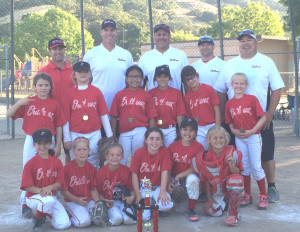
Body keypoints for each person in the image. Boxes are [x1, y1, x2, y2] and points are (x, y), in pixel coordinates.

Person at [214, 29, 285, 203]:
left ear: (255, 42)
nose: (245, 43)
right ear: (239, 43)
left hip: (261, 120)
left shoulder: (266, 62)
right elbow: (220, 91)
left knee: (266, 155)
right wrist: (225, 119)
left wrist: (268, 115)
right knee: (239, 159)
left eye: (249, 40)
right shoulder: (229, 65)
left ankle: (272, 187)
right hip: (236, 122)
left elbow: (277, 89)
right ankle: (241, 191)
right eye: (242, 40)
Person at [6, 73, 66, 218]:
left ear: (50, 86)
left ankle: (49, 201)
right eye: (40, 85)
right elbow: (9, 114)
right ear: (34, 87)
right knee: (29, 170)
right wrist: (20, 102)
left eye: (46, 85)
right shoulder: (28, 101)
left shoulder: (55, 103)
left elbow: (59, 126)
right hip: (32, 140)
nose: (43, 88)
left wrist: (58, 145)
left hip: (49, 140)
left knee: (49, 170)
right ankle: (25, 204)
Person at [225, 73, 268, 209]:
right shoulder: (229, 103)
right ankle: (247, 194)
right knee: (245, 167)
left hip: (253, 136)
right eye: (236, 83)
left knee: (256, 166)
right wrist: (232, 130)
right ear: (232, 85)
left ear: (246, 85)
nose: (238, 86)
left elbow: (263, 118)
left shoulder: (251, 99)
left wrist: (253, 130)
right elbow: (229, 122)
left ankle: (263, 196)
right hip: (240, 138)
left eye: (241, 83)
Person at [62, 61, 113, 170]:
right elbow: (65, 119)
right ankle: (77, 184)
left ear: (90, 73)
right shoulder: (69, 93)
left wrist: (109, 136)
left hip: (94, 133)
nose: (82, 74)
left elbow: (103, 115)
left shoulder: (96, 91)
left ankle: (93, 185)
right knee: (76, 160)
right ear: (74, 75)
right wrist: (66, 138)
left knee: (94, 159)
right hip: (75, 132)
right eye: (79, 72)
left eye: (85, 71)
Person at [191, 126, 244, 226]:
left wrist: (232, 164)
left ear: (225, 139)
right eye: (215, 138)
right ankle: (226, 205)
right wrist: (210, 198)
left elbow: (238, 174)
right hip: (216, 192)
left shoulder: (232, 153)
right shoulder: (205, 157)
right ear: (209, 140)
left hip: (230, 190)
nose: (218, 140)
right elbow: (206, 180)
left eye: (221, 137)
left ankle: (233, 214)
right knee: (209, 211)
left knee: (235, 180)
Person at [20, 129, 71, 232]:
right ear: (34, 144)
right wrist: (43, 191)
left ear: (51, 143)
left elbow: (60, 182)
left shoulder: (57, 162)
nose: (42, 146)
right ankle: (37, 219)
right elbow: (26, 186)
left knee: (64, 224)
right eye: (39, 143)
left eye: (45, 143)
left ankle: (46, 213)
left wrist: (50, 188)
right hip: (33, 197)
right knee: (49, 200)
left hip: (49, 196)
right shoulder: (30, 163)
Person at [110, 65, 157, 165]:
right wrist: (113, 134)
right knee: (121, 159)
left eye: (137, 76)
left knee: (138, 158)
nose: (134, 79)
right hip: (124, 131)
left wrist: (150, 135)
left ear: (141, 79)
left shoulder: (146, 95)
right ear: (126, 79)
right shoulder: (120, 94)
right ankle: (122, 179)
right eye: (131, 76)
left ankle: (137, 179)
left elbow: (151, 117)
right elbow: (113, 116)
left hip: (140, 130)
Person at [83, 19, 134, 111]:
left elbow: (131, 80)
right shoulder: (90, 54)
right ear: (101, 32)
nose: (109, 33)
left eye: (112, 30)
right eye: (106, 30)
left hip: (121, 108)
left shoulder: (126, 54)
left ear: (116, 32)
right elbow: (84, 80)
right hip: (96, 107)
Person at [38, 38, 74, 164]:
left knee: (70, 151)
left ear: (64, 50)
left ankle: (70, 179)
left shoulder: (72, 71)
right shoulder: (43, 72)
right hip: (50, 118)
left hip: (69, 118)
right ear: (49, 52)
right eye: (54, 49)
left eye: (60, 48)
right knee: (50, 152)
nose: (58, 51)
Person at [130, 127, 174, 221]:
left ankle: (153, 202)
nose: (155, 141)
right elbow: (134, 174)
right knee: (144, 217)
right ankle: (149, 204)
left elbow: (164, 172)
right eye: (151, 138)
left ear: (162, 140)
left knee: (167, 206)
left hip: (157, 187)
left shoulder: (164, 151)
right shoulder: (139, 152)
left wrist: (162, 191)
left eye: (158, 139)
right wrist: (138, 195)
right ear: (146, 140)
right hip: (144, 187)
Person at [168, 117, 204, 222]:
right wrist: (168, 184)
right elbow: (168, 167)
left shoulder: (199, 147)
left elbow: (195, 168)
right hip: (174, 178)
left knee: (192, 179)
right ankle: (182, 198)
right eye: (185, 129)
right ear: (180, 131)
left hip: (187, 177)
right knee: (179, 210)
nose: (187, 133)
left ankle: (192, 208)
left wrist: (178, 177)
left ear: (196, 133)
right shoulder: (172, 146)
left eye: (191, 130)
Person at [61, 137, 100, 227]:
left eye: (84, 149)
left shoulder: (91, 168)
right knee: (84, 222)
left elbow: (93, 189)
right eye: (79, 150)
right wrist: (76, 200)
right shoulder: (67, 168)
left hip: (88, 200)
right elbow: (63, 191)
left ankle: (84, 213)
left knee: (97, 219)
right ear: (74, 151)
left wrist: (98, 203)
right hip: (72, 200)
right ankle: (69, 216)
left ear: (88, 150)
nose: (82, 153)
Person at [138, 23, 189, 91]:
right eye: (158, 35)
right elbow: (139, 84)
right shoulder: (144, 58)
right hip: (152, 100)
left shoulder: (181, 55)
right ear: (154, 37)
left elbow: (187, 82)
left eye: (164, 34)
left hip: (176, 100)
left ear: (169, 36)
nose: (161, 37)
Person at [181, 65, 221, 149]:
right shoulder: (187, 97)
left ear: (197, 75)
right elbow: (189, 116)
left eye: (192, 77)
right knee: (201, 151)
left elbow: (217, 109)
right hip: (198, 128)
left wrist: (217, 127)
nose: (191, 81)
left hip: (212, 125)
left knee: (215, 150)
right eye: (187, 80)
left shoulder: (208, 89)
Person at [96, 143, 136, 226]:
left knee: (129, 220)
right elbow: (97, 192)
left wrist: (132, 197)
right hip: (109, 202)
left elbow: (132, 188)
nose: (115, 158)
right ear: (106, 156)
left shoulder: (126, 170)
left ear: (122, 157)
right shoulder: (101, 173)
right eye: (112, 155)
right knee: (117, 219)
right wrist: (103, 200)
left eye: (118, 155)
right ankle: (107, 217)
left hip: (123, 202)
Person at [148, 64, 185, 147]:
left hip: (170, 129)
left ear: (170, 78)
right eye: (159, 76)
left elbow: (179, 114)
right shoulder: (150, 93)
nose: (162, 79)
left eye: (165, 76)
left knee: (171, 151)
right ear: (155, 79)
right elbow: (150, 114)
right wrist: (151, 130)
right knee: (156, 151)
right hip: (156, 128)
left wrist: (181, 130)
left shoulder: (176, 93)